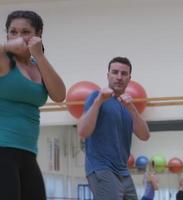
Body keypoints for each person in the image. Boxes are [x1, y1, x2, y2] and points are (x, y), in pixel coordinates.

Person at [0, 10, 66, 200]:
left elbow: (59, 95)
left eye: (25, 32)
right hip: (2, 148)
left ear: (38, 35)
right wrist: (6, 46)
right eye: (13, 32)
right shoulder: (4, 61)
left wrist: (40, 56)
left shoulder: (38, 65)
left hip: (28, 152)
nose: (18, 37)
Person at [77, 56, 150, 200]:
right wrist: (99, 101)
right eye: (115, 72)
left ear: (129, 78)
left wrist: (132, 108)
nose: (119, 77)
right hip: (102, 168)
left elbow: (145, 135)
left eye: (124, 74)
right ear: (108, 75)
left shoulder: (126, 105)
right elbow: (83, 131)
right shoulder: (96, 97)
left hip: (123, 171)